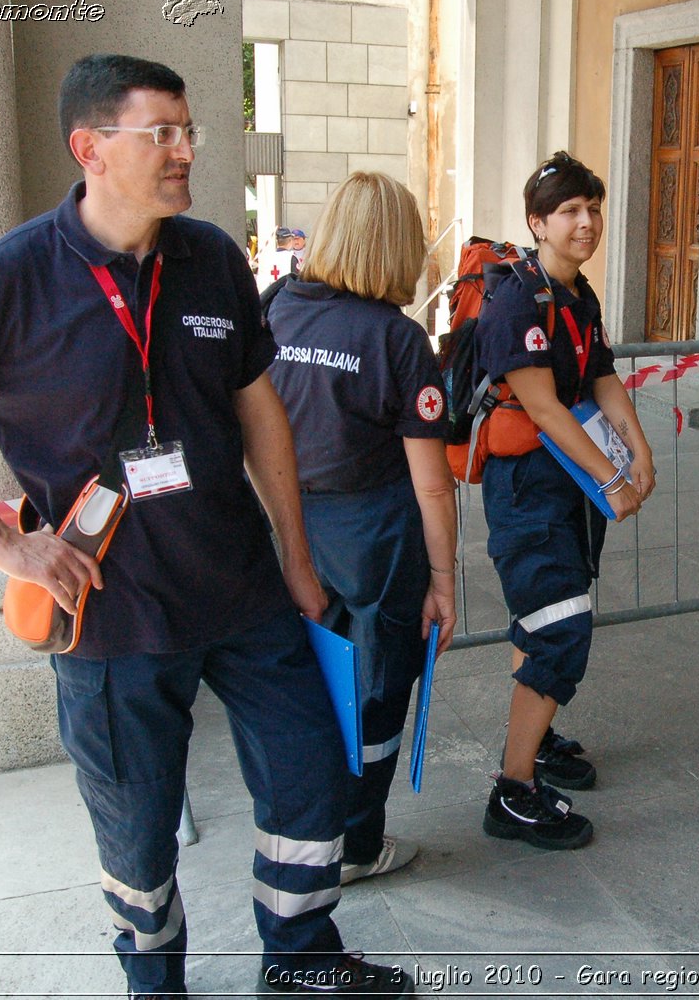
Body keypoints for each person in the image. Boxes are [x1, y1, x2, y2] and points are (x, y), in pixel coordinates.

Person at [0, 54, 412, 999]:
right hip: (109, 611)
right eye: (164, 134)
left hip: (239, 588)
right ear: (92, 147)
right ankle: (155, 983)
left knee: (312, 771)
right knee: (138, 823)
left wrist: (299, 563)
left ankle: (302, 955)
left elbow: (261, 411)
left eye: (189, 131)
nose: (186, 150)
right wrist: (4, 546)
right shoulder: (5, 279)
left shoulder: (214, 260)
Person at [265, 172, 457, 884]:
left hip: (284, 527)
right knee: (374, 691)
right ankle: (354, 845)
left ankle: (299, 832)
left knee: (299, 685)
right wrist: (443, 581)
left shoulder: (276, 307)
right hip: (373, 542)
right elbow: (433, 484)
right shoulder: (397, 340)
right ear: (399, 249)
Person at [474, 151, 654, 848]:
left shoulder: (578, 294)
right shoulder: (518, 297)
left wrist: (637, 449)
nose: (586, 223)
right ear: (537, 223)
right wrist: (612, 478)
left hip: (569, 482)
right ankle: (513, 793)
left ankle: (536, 737)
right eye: (570, 212)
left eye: (592, 209)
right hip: (528, 488)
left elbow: (602, 377)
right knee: (559, 628)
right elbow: (545, 408)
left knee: (544, 615)